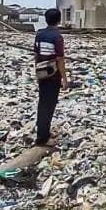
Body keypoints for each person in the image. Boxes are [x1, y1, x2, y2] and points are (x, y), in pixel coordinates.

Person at [33, 8, 68, 146]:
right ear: (59, 20)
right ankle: (42, 138)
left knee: (43, 103)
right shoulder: (57, 37)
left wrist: (37, 70)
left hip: (41, 73)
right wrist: (64, 79)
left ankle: (43, 131)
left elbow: (36, 54)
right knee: (49, 105)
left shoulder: (39, 34)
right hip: (53, 76)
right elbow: (60, 59)